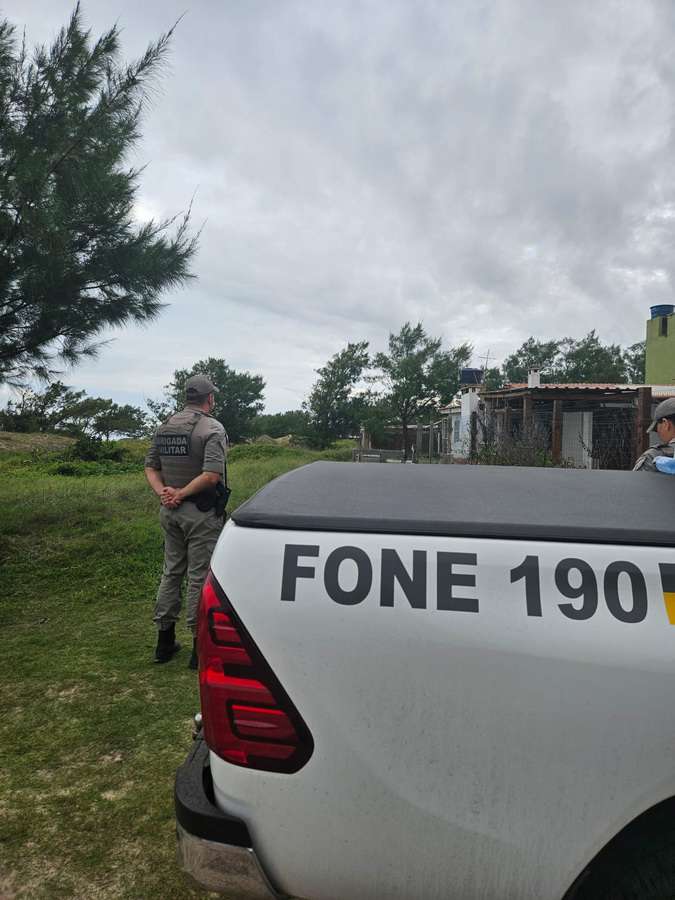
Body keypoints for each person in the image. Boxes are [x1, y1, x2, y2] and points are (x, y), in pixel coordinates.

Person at [144, 374, 228, 667]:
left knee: (171, 573)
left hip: (170, 512)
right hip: (200, 513)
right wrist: (181, 494)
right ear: (209, 398)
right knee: (198, 577)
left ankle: (164, 643)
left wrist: (165, 495)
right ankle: (198, 648)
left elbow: (151, 467)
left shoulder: (164, 427)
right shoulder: (212, 428)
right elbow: (211, 475)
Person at [633, 397, 675, 472]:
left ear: (666, 424)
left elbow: (634, 483)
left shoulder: (654, 457)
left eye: (656, 429)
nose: (659, 434)